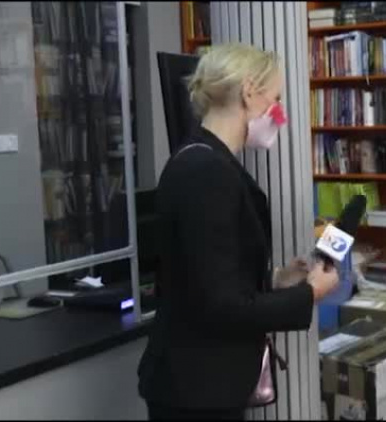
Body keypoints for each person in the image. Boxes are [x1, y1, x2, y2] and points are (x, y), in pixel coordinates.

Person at [137, 43, 340, 420]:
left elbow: (209, 274)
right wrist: (310, 293)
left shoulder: (211, 162)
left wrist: (277, 279)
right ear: (249, 92)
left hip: (204, 384)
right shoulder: (205, 172)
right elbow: (222, 305)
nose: (279, 114)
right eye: (275, 99)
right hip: (196, 390)